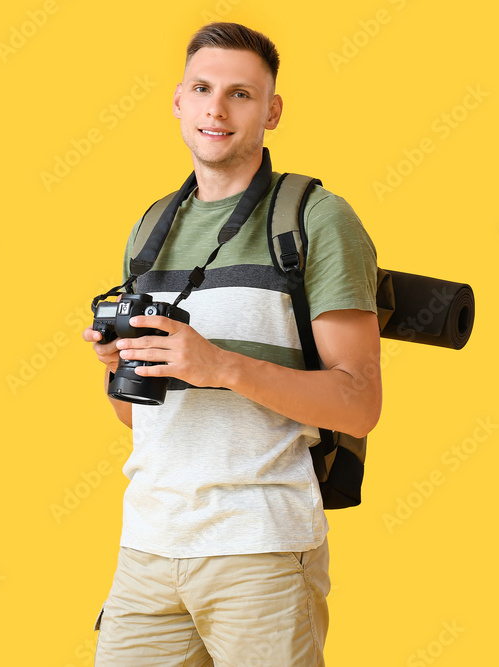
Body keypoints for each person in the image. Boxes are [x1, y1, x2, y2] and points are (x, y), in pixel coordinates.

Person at [82, 22, 381, 666]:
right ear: (179, 101)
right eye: (203, 88)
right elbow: (138, 420)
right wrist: (120, 369)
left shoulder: (317, 219)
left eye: (241, 94)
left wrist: (219, 365)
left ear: (271, 111)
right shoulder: (151, 228)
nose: (217, 109)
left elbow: (359, 404)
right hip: (148, 546)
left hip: (262, 549)